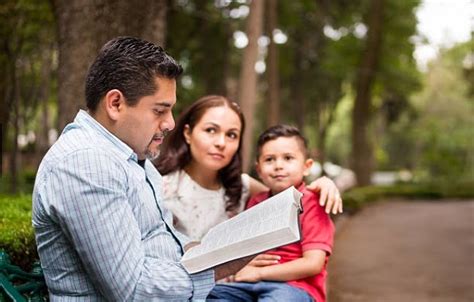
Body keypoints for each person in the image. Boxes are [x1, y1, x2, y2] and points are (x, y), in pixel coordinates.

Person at [32, 37, 249, 301]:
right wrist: (220, 267)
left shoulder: (128, 155)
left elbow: (158, 237)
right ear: (115, 104)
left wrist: (207, 250)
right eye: (160, 110)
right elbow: (134, 290)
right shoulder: (86, 164)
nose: (170, 123)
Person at [155, 95, 343, 241]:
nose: (221, 142)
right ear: (188, 133)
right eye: (211, 130)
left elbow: (293, 202)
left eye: (232, 135)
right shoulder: (161, 188)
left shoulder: (242, 186)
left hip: (241, 287)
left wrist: (322, 185)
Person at [208, 124, 335, 302]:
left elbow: (313, 263)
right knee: (206, 295)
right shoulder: (256, 202)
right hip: (247, 285)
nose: (278, 166)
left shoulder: (313, 202)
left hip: (294, 287)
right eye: (269, 160)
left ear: (306, 166)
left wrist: (259, 273)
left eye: (288, 158)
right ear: (259, 169)